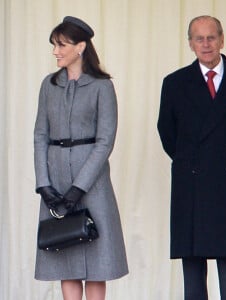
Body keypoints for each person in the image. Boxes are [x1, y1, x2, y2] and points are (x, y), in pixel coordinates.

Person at [157, 15, 226, 300]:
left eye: (211, 37)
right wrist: (192, 161)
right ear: (190, 44)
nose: (206, 44)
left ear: (221, 39)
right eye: (199, 39)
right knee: (193, 274)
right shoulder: (174, 84)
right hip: (191, 183)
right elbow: (168, 134)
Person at [34, 16, 128, 300]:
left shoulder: (102, 86)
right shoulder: (48, 85)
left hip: (93, 184)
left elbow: (105, 141)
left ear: (81, 47)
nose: (55, 51)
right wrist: (44, 185)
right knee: (67, 259)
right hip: (56, 181)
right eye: (54, 45)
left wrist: (79, 188)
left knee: (97, 263)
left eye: (61, 45)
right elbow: (40, 135)